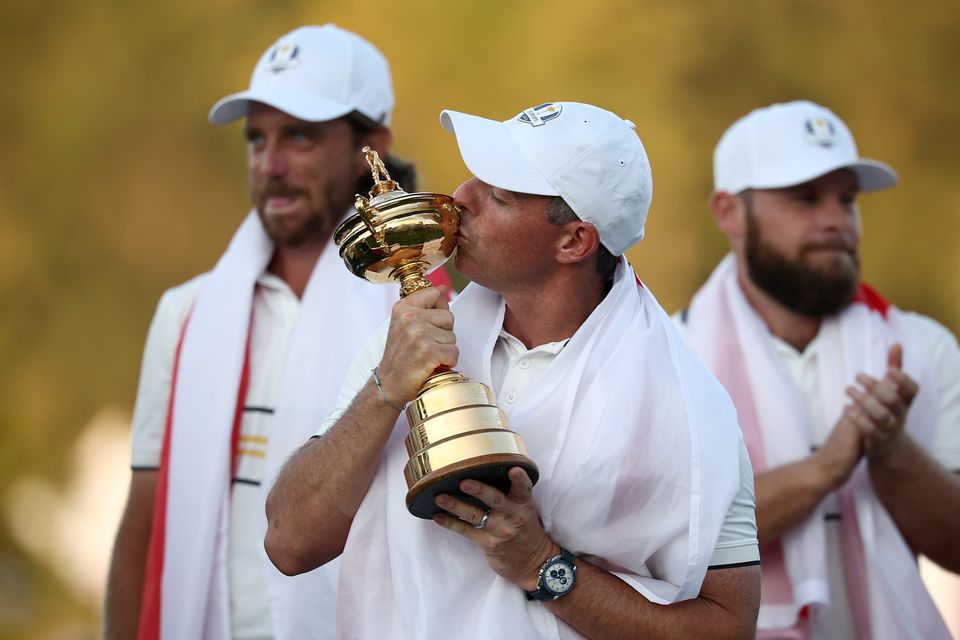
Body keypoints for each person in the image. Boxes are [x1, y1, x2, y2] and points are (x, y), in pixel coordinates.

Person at [264, 101, 762, 638]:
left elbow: (728, 625)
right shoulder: (407, 345)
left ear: (574, 241)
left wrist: (543, 566)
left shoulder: (688, 405)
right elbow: (289, 543)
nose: (461, 197)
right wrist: (384, 390)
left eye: (498, 194)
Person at [104, 24, 440, 640]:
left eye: (300, 137)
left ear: (373, 144)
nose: (271, 164)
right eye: (257, 139)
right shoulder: (186, 315)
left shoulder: (427, 311)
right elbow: (146, 521)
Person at [677, 100, 960, 639]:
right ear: (728, 212)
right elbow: (663, 548)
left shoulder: (923, 348)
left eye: (847, 199)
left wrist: (893, 448)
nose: (836, 220)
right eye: (805, 199)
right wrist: (825, 468)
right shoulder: (672, 353)